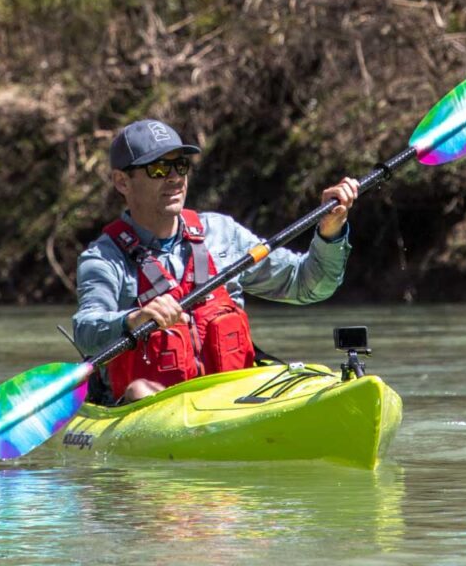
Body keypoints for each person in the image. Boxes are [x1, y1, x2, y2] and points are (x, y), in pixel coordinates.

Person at [73, 119, 358, 405]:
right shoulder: (103, 258)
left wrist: (330, 233)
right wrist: (132, 320)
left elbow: (308, 285)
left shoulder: (222, 234)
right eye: (158, 169)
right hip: (150, 404)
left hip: (232, 400)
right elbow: (85, 329)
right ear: (122, 181)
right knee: (139, 391)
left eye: (180, 165)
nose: (174, 178)